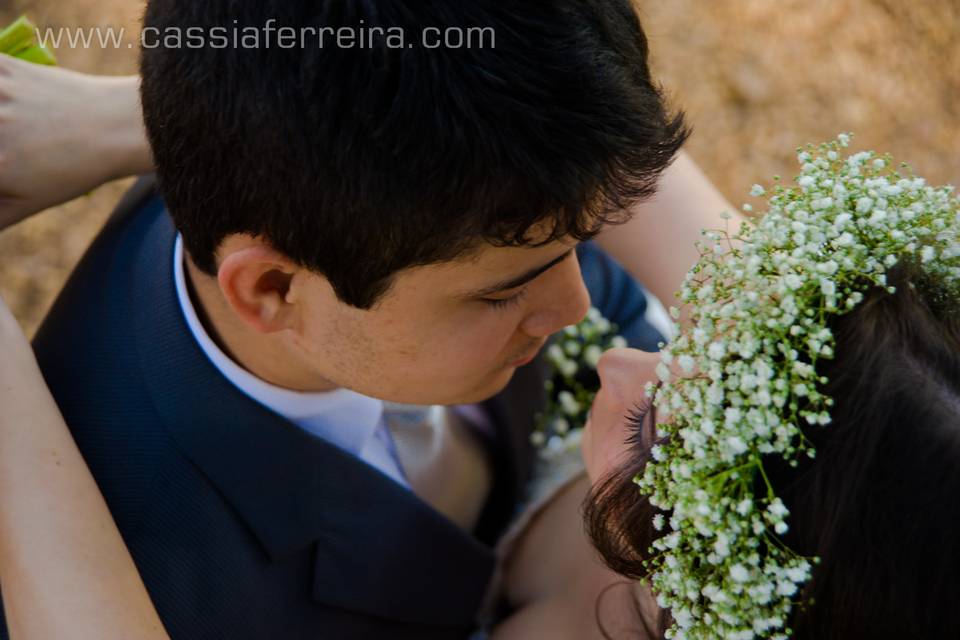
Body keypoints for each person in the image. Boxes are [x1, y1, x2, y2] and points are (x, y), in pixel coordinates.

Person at [0, 1, 736, 638]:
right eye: (499, 294)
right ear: (272, 289)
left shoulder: (464, 203)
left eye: (582, 246)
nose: (578, 307)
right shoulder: (157, 585)